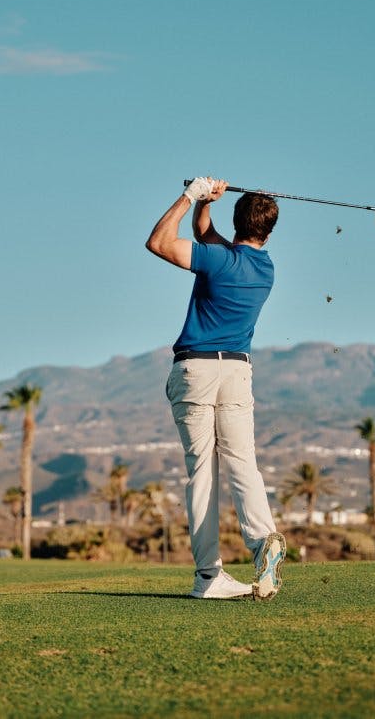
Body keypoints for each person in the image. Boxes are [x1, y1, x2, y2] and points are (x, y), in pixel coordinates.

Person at [146, 176, 286, 600]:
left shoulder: (217, 261)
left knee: (203, 472)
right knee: (243, 461)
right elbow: (207, 237)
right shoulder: (265, 269)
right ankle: (263, 540)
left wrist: (190, 197)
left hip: (196, 371)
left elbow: (158, 242)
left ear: (237, 220)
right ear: (268, 230)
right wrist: (207, 204)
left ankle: (209, 576)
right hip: (237, 373)